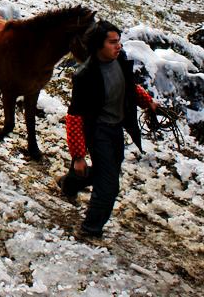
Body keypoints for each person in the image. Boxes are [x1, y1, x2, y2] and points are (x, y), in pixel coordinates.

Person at [58, 20, 158, 238]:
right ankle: (90, 229)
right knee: (109, 184)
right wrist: (77, 155)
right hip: (98, 131)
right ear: (97, 45)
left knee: (107, 171)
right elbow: (74, 116)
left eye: (119, 42)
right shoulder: (85, 76)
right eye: (112, 42)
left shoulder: (120, 60)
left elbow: (129, 86)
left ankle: (70, 183)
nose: (118, 46)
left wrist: (147, 101)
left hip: (116, 128)